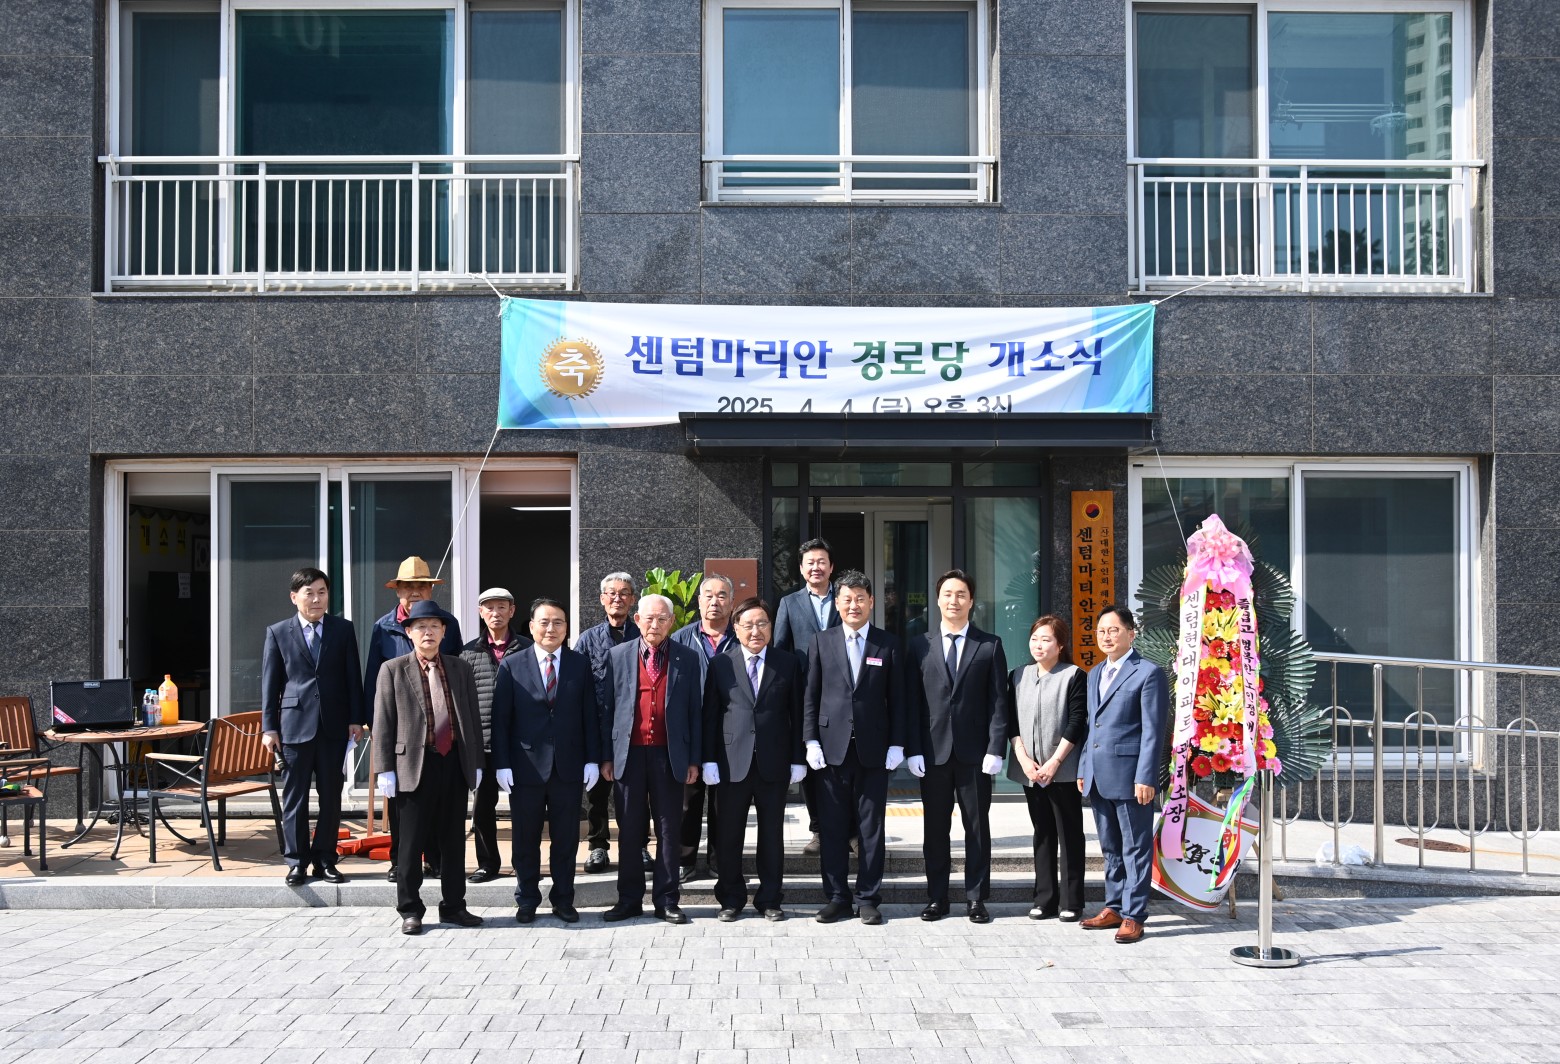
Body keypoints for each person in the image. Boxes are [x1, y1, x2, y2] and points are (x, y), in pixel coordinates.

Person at [372, 600, 485, 936]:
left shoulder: (460, 668)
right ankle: (410, 909)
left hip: (453, 763)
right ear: (409, 632)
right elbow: (383, 722)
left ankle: (454, 906)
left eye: (434, 626)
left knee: (453, 841)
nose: (428, 633)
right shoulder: (393, 669)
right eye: (420, 627)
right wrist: (384, 768)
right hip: (412, 766)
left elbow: (472, 719)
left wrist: (476, 762)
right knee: (410, 843)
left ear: (444, 631)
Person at [803, 570, 909, 926]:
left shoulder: (887, 644)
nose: (853, 605)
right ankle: (836, 897)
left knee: (870, 829)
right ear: (837, 603)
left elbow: (899, 698)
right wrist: (810, 740)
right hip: (830, 750)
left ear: (871, 602)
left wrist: (897, 743)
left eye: (860, 599)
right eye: (847, 599)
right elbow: (810, 696)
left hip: (874, 751)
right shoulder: (821, 641)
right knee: (832, 828)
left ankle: (867, 898)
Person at [906, 569, 1011, 924]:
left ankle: (976, 898)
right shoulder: (919, 645)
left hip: (975, 754)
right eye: (948, 594)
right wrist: (913, 748)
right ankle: (937, 897)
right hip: (933, 753)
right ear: (938, 600)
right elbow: (912, 702)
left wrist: (996, 748)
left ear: (971, 601)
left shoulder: (989, 644)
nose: (954, 600)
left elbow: (998, 702)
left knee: (977, 828)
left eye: (961, 594)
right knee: (935, 829)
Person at [491, 598, 600, 924]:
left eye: (558, 622)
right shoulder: (513, 665)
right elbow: (501, 719)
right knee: (525, 838)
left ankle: (563, 899)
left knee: (566, 839)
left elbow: (590, 715)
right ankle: (526, 899)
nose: (551, 628)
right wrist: (502, 763)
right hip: (525, 767)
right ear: (531, 626)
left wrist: (592, 759)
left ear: (566, 628)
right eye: (544, 622)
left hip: (569, 766)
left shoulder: (579, 664)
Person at [260, 567, 367, 887]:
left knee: (331, 796)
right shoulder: (278, 632)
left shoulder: (342, 629)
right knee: (295, 798)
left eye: (322, 592)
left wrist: (356, 718)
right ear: (295, 597)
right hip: (294, 726)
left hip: (334, 726)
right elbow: (270, 684)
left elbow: (353, 676)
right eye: (309, 593)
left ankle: (325, 860)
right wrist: (269, 728)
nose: (317, 599)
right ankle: (296, 861)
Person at [601, 593, 703, 924]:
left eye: (662, 619)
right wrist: (606, 756)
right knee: (630, 829)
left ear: (672, 622)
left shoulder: (687, 658)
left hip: (669, 755)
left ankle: (667, 899)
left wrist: (693, 759)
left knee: (669, 829)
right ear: (637, 620)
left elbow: (695, 711)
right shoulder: (618, 655)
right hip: (628, 755)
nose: (654, 624)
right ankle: (629, 899)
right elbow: (608, 709)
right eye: (648, 618)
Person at [702, 598, 806, 922]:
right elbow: (710, 715)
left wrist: (798, 758)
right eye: (748, 625)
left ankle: (770, 898)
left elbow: (797, 714)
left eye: (762, 623)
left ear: (771, 627)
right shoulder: (721, 663)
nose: (755, 631)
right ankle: (730, 898)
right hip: (731, 763)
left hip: (774, 763)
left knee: (772, 836)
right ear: (736, 628)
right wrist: (708, 760)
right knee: (728, 835)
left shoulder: (787, 663)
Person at [363, 555, 463, 882]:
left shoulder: (447, 622)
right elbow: (373, 678)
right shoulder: (383, 626)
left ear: (431, 590)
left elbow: (456, 672)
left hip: (439, 724)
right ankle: (400, 861)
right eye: (408, 586)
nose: (415, 592)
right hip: (402, 727)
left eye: (422, 586)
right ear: (397, 591)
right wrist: (372, 722)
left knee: (438, 801)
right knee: (402, 803)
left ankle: (434, 858)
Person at [1078, 604, 1168, 944]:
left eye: (1113, 630)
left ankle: (1134, 915)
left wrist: (1146, 776)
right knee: (1110, 847)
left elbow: (1153, 731)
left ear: (1131, 633)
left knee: (1135, 847)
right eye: (1101, 631)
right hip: (1098, 775)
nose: (1106, 636)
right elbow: (1092, 726)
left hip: (1132, 778)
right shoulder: (1094, 674)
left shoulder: (1148, 673)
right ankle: (1113, 907)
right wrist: (1084, 766)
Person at [1008, 615, 1089, 921]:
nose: (1039, 645)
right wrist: (1023, 759)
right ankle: (1044, 899)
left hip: (1063, 770)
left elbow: (1077, 721)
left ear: (1060, 645)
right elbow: (1011, 720)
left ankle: (1071, 902)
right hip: (1030, 770)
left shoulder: (1074, 675)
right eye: (1035, 639)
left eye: (1046, 639)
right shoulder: (1018, 675)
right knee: (1042, 832)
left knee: (1069, 833)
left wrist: (1055, 761)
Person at [772, 537, 840, 856]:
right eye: (810, 562)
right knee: (812, 767)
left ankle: (850, 830)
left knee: (845, 762)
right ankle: (819, 831)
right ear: (801, 569)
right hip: (805, 695)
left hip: (844, 695)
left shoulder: (846, 598)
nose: (816, 567)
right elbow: (780, 649)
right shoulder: (789, 603)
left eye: (821, 561)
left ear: (831, 567)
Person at [459, 588, 532, 884]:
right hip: (484, 744)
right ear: (480, 612)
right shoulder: (468, 653)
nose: (495, 613)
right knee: (482, 809)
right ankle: (487, 863)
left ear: (512, 611)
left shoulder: (528, 648)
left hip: (522, 744)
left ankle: (524, 863)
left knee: (524, 809)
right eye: (489, 607)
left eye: (501, 607)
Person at [573, 572, 641, 875]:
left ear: (633, 599)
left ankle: (639, 845)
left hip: (635, 728)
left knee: (637, 792)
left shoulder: (643, 634)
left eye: (624, 593)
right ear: (602, 599)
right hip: (598, 727)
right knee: (597, 793)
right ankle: (598, 845)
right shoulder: (588, 639)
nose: (618, 598)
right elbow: (577, 684)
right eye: (611, 593)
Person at [671, 573, 736, 882]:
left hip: (730, 732)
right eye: (708, 595)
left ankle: (720, 862)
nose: (714, 601)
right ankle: (684, 860)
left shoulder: (742, 637)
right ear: (698, 601)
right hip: (690, 731)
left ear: (732, 603)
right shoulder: (680, 638)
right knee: (687, 801)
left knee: (725, 803)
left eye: (722, 595)